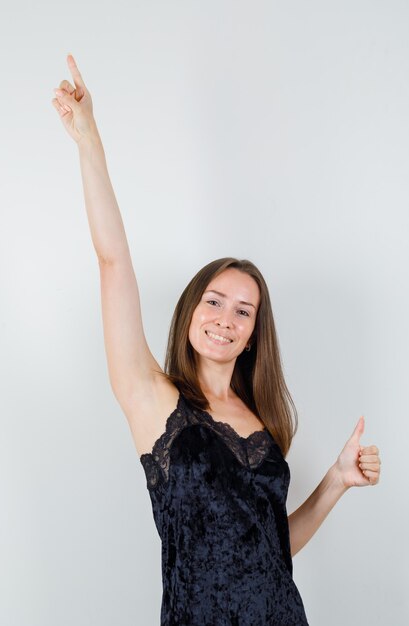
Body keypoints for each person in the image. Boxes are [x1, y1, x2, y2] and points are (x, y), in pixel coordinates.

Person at [52, 54, 381, 626]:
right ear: (189, 313)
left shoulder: (264, 419)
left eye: (243, 310)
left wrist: (336, 482)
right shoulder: (153, 400)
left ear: (254, 334)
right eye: (213, 301)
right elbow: (113, 261)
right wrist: (89, 142)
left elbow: (274, 553)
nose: (225, 318)